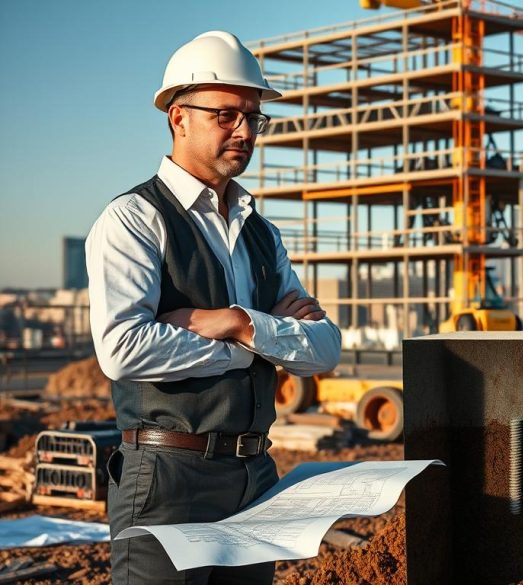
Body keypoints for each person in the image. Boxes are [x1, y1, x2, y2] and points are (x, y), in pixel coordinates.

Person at [86, 31, 341, 584]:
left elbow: (324, 349)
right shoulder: (134, 220)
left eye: (253, 117)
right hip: (165, 478)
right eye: (225, 115)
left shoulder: (262, 234)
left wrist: (242, 323)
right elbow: (123, 349)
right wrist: (264, 341)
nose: (245, 131)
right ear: (179, 118)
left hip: (254, 475)